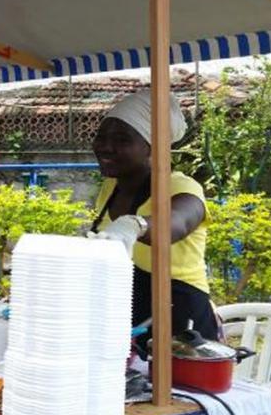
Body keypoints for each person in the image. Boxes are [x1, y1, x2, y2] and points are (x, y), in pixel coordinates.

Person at [88, 91, 218, 341]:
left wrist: (133, 225)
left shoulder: (180, 187)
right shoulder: (110, 188)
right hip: (130, 319)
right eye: (101, 137)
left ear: (152, 146)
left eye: (122, 139)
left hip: (181, 323)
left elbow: (177, 222)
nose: (105, 147)